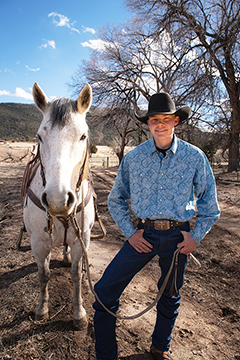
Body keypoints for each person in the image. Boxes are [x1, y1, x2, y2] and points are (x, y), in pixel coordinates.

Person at [93, 92, 220, 360]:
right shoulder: (134, 158)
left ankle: (160, 347)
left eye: (165, 119)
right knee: (104, 293)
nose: (159, 124)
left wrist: (195, 237)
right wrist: (131, 233)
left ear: (175, 121)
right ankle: (106, 356)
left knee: (170, 295)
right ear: (148, 123)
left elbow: (210, 206)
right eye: (154, 120)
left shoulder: (195, 157)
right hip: (143, 235)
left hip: (177, 238)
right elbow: (115, 200)